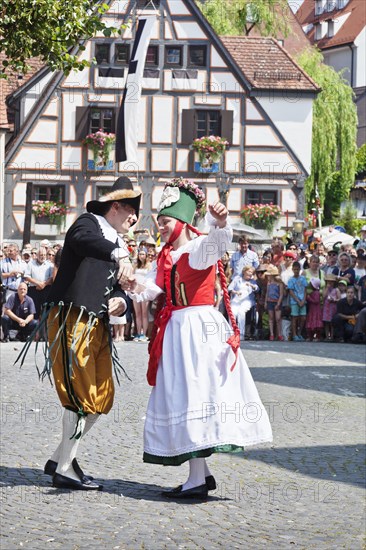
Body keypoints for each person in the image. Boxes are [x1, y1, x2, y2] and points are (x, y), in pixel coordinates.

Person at [123, 178, 272, 500]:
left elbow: (219, 241)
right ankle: (199, 476)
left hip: (198, 330)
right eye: (159, 222)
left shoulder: (198, 248)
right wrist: (132, 285)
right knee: (185, 397)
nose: (160, 228)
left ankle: (196, 479)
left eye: (164, 222)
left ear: (181, 221)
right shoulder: (166, 256)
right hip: (176, 331)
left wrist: (220, 221)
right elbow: (154, 289)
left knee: (195, 396)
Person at [16, 176, 141, 491]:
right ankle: (65, 470)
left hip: (98, 325)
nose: (135, 219)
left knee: (100, 398)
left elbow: (119, 290)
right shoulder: (88, 224)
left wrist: (121, 302)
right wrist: (118, 254)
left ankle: (60, 459)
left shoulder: (118, 244)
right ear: (115, 206)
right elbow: (86, 243)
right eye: (131, 211)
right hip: (72, 317)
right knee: (79, 396)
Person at [228, 265, 258, 340]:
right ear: (244, 271)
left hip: (247, 300)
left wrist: (251, 285)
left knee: (241, 312)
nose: (251, 274)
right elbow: (230, 288)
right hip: (237, 299)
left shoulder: (252, 281)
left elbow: (257, 289)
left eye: (252, 272)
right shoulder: (237, 279)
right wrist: (235, 292)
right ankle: (231, 333)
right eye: (249, 271)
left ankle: (241, 334)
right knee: (233, 312)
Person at [24, 247, 53, 319]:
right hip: (34, 289)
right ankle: (34, 328)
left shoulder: (49, 264)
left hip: (46, 289)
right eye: (41, 255)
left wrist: (44, 284)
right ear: (37, 255)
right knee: (34, 312)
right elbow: (27, 276)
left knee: (46, 312)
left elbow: (51, 277)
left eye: (44, 255)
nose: (43, 256)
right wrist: (38, 283)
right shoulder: (31, 263)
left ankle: (45, 329)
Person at [132, 247, 152, 342]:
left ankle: (144, 334)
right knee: (137, 313)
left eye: (143, 254)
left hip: (144, 291)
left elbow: (151, 278)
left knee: (144, 313)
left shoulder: (149, 265)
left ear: (146, 255)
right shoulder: (135, 265)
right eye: (140, 254)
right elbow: (132, 275)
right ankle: (138, 333)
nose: (141, 256)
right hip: (136, 290)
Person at [287, 261, 308, 342]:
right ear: (292, 269)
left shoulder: (303, 278)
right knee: (294, 317)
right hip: (294, 301)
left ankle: (299, 333)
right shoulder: (291, 280)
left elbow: (305, 290)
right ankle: (294, 334)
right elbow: (291, 291)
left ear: (300, 269)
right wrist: (298, 301)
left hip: (302, 300)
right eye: (294, 269)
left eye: (297, 269)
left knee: (303, 317)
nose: (296, 271)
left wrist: (303, 300)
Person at [264, 265, 284, 341]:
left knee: (278, 318)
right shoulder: (269, 283)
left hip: (276, 301)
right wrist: (266, 302)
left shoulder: (279, 283)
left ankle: (279, 334)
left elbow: (281, 294)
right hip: (270, 301)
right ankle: (272, 334)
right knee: (271, 318)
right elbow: (267, 293)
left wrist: (278, 303)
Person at [322, 274, 341, 341]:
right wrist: (327, 288)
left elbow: (339, 299)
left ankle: (332, 336)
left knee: (332, 323)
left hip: (333, 308)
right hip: (326, 308)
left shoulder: (336, 289)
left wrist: (334, 300)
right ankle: (327, 336)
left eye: (332, 281)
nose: (330, 283)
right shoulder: (325, 288)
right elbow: (323, 296)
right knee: (326, 323)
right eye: (328, 281)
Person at [306, 278, 323, 342]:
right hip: (312, 309)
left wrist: (309, 298)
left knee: (316, 324)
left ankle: (317, 336)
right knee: (312, 323)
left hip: (315, 310)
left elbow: (316, 301)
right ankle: (311, 336)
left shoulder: (316, 293)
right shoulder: (314, 292)